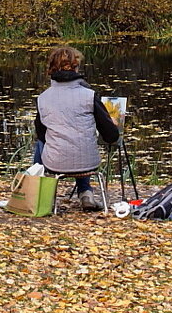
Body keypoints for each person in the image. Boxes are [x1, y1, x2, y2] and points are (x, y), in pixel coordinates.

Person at [35, 46, 119, 210]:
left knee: (40, 143)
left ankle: (37, 192)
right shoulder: (89, 95)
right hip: (88, 162)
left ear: (50, 70)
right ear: (76, 68)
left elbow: (41, 134)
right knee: (80, 140)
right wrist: (112, 124)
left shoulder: (42, 98)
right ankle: (86, 192)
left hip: (55, 164)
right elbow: (110, 136)